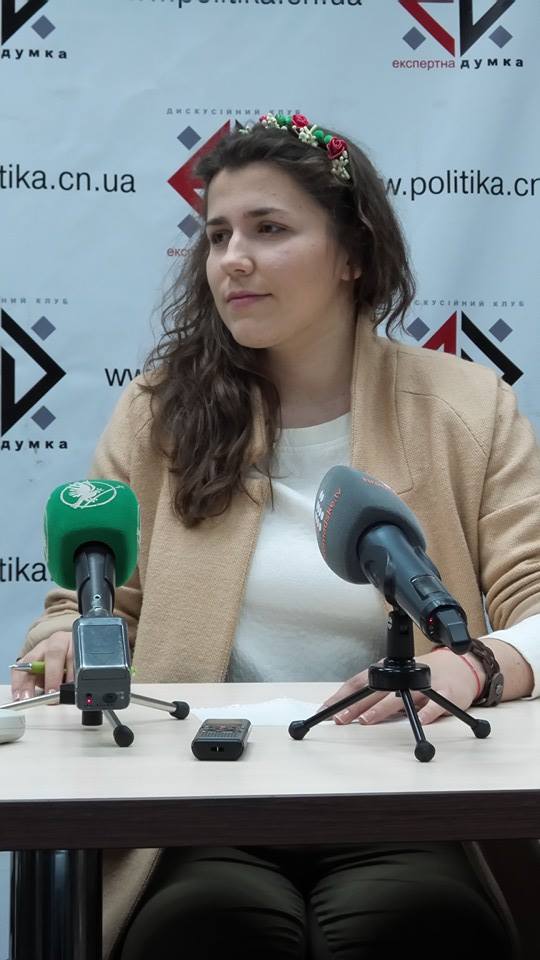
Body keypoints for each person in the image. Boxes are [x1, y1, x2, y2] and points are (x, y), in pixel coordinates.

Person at [13, 112, 540, 959]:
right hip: (196, 801)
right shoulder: (158, 412)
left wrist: (473, 663)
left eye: (268, 229)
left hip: (409, 789)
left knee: (419, 926)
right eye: (218, 234)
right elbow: (86, 601)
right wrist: (63, 642)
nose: (232, 258)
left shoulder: (467, 407)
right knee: (205, 931)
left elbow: (537, 605)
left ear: (352, 253)